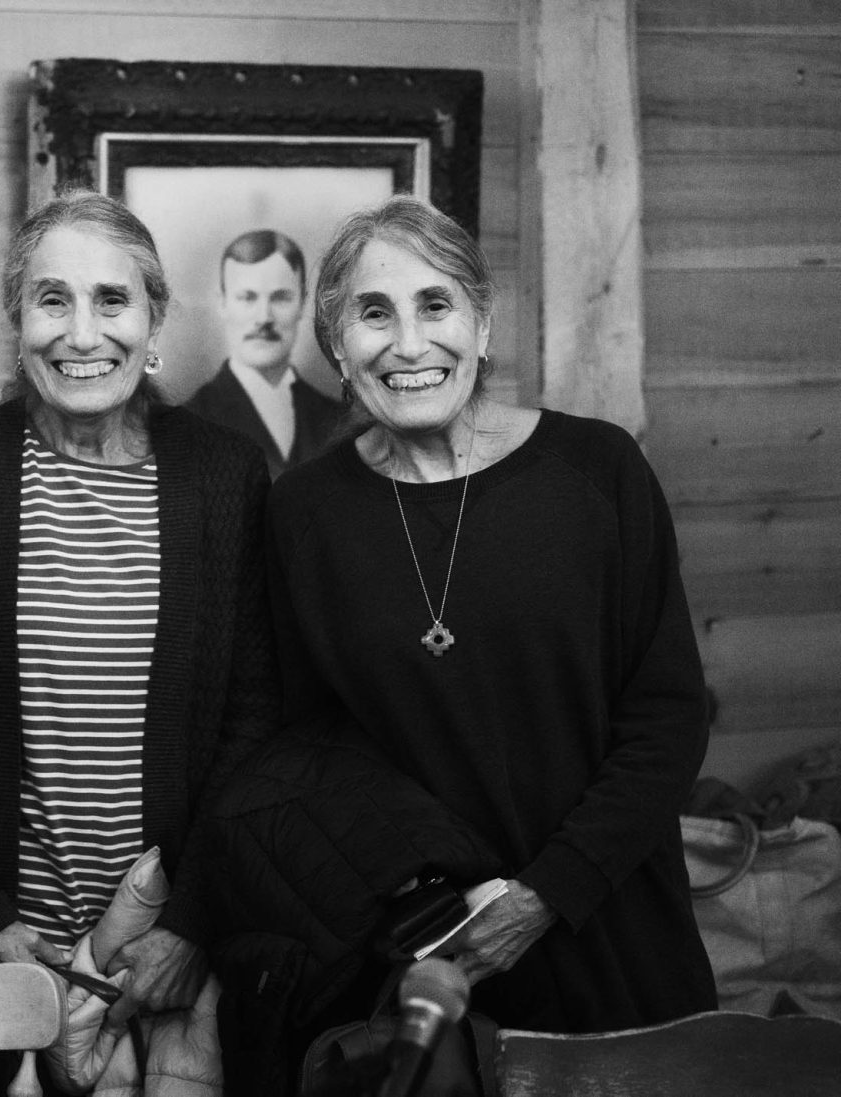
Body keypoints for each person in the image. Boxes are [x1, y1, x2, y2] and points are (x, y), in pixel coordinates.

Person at [263, 194, 716, 1035]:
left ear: (482, 324)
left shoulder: (597, 471)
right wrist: (420, 899)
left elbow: (668, 716)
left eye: (436, 304)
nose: (408, 344)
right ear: (335, 347)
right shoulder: (303, 515)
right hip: (425, 960)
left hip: (614, 926)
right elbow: (307, 745)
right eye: (372, 313)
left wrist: (546, 895)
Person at [0, 191, 279, 1087]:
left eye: (112, 301)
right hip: (0, 952)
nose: (82, 332)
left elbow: (258, 722)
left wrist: (190, 925)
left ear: (153, 323)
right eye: (53, 300)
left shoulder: (225, 476)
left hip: (174, 956)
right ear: (17, 321)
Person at [185, 229, 346, 479]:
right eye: (247, 298)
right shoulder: (191, 420)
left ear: (303, 303)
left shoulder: (338, 420)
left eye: (280, 298)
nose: (264, 318)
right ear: (223, 303)